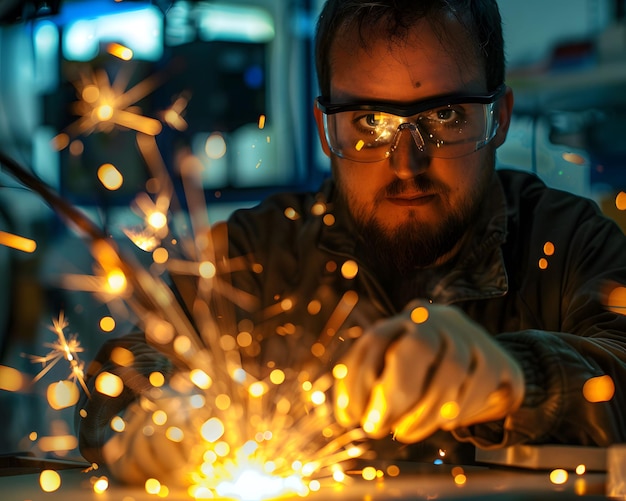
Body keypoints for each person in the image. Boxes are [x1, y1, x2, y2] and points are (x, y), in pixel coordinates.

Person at [75, 0, 626, 485]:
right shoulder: (253, 253)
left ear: (499, 118)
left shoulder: (569, 242)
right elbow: (120, 380)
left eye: (446, 116)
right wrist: (153, 413)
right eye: (369, 121)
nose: (406, 163)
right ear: (324, 128)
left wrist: (518, 377)